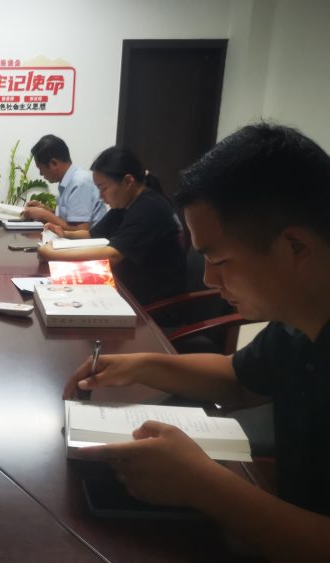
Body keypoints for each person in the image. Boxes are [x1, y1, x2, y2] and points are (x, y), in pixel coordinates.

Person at [63, 123, 330, 561]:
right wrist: (142, 366)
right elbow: (239, 378)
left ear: (296, 248)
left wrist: (204, 486)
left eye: (219, 260)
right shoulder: (299, 321)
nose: (208, 279)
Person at [39, 146, 186, 305]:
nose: (101, 196)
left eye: (104, 188)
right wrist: (65, 234)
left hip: (152, 307)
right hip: (127, 288)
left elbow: (112, 255)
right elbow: (92, 235)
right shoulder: (125, 203)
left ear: (128, 181)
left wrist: (53, 254)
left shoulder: (148, 208)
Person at [21, 134, 106, 229]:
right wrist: (44, 209)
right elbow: (68, 219)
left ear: (54, 163)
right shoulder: (67, 181)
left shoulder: (79, 183)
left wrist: (44, 214)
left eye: (41, 168)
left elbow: (79, 230)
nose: (41, 174)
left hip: (93, 239)